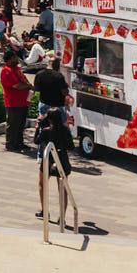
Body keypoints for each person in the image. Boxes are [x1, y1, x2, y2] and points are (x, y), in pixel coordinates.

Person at [35, 69, 76, 222]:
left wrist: (38, 127)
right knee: (62, 185)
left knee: (42, 182)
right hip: (62, 157)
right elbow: (65, 91)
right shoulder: (65, 131)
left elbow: (37, 141)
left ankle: (44, 211)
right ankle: (63, 217)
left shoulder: (45, 131)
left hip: (47, 155)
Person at [0, 48, 32, 153]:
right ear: (8, 60)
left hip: (23, 101)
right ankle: (11, 144)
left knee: (21, 123)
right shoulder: (6, 71)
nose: (16, 59)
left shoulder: (17, 69)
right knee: (13, 124)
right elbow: (17, 86)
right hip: (13, 102)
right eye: (13, 58)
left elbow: (24, 81)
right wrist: (29, 86)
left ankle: (19, 143)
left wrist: (28, 86)